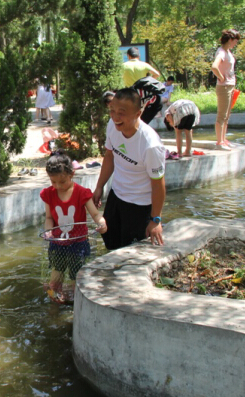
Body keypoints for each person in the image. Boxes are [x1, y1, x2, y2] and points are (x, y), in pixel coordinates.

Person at [92, 88, 166, 250]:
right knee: (110, 242)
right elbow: (110, 156)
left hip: (140, 205)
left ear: (138, 113)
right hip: (117, 196)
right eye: (112, 110)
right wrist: (99, 186)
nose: (115, 117)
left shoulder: (150, 145)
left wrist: (155, 220)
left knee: (132, 251)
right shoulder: (113, 125)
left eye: (121, 113)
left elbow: (158, 184)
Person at [40, 150, 107, 302]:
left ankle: (76, 303)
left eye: (62, 182)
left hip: (78, 243)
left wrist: (102, 223)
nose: (58, 186)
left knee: (77, 278)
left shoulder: (82, 193)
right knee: (55, 279)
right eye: (53, 182)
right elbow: (49, 218)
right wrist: (49, 231)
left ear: (72, 174)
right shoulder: (49, 194)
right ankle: (55, 303)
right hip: (58, 243)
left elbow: (95, 214)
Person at [211, 29, 241, 150]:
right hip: (224, 87)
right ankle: (219, 142)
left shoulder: (228, 52)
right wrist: (221, 77)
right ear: (230, 40)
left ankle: (223, 140)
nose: (236, 43)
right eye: (235, 41)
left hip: (230, 86)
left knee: (227, 115)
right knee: (222, 115)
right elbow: (214, 67)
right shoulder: (221, 52)